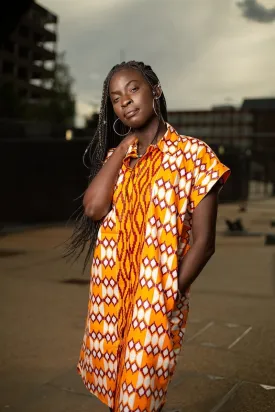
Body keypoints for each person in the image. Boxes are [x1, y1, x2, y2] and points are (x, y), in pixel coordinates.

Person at [66, 61, 230, 412]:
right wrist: (124, 148)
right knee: (113, 393)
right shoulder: (118, 158)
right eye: (115, 98)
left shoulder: (194, 155)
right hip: (110, 298)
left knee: (138, 398)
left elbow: (204, 242)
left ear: (155, 90)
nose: (125, 101)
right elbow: (94, 209)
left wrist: (169, 296)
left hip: (155, 300)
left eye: (133, 89)